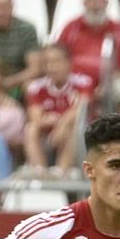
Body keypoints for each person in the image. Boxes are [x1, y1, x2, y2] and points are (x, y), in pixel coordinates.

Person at [54, 0, 120, 101]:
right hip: (74, 83)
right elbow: (56, 59)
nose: (94, 5)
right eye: (90, 0)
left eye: (98, 0)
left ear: (106, 2)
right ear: (84, 2)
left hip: (109, 83)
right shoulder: (71, 28)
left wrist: (107, 83)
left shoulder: (119, 30)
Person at [24, 43, 93, 175]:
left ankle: (61, 173)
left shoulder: (83, 82)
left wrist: (62, 123)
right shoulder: (36, 87)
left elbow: (81, 109)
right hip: (48, 136)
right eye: (47, 63)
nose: (51, 67)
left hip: (75, 137)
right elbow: (36, 117)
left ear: (68, 63)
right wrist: (50, 122)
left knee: (73, 127)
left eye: (56, 61)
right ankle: (40, 173)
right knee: (31, 129)